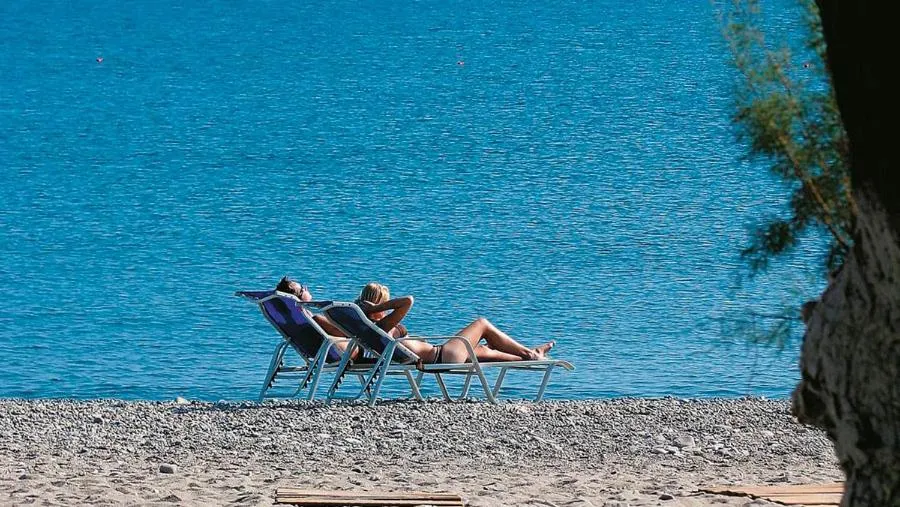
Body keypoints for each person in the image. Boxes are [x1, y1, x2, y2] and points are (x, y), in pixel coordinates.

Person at [354, 282, 555, 364]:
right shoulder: (380, 327)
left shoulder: (367, 328)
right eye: (385, 304)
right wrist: (373, 310)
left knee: (486, 351)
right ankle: (529, 354)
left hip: (441, 352)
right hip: (442, 355)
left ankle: (530, 355)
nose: (388, 309)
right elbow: (408, 301)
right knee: (482, 323)